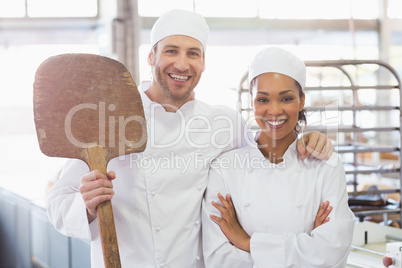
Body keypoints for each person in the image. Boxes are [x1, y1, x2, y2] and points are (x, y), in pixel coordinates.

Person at [46, 10, 334, 268]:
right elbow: (57, 205)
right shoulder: (111, 119)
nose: (182, 64)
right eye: (171, 51)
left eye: (193, 53)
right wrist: (85, 205)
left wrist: (307, 139)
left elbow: (270, 158)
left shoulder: (224, 123)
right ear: (151, 57)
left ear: (204, 62)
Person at [202, 47, 355, 267]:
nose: (274, 111)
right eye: (263, 100)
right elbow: (218, 258)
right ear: (252, 102)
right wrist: (305, 248)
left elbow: (331, 254)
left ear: (301, 101)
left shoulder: (326, 166)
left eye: (286, 98)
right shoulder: (225, 168)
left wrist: (247, 242)